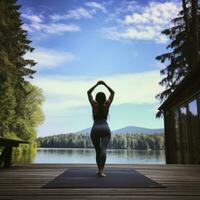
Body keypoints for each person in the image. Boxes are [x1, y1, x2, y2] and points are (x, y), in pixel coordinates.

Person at [87, 80, 114, 177]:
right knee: (103, 150)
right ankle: (102, 171)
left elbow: (88, 93)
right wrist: (105, 84)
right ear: (104, 98)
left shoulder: (94, 105)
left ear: (97, 98)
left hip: (95, 128)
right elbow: (112, 93)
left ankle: (99, 170)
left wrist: (97, 85)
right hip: (105, 128)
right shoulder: (106, 105)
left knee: (98, 151)